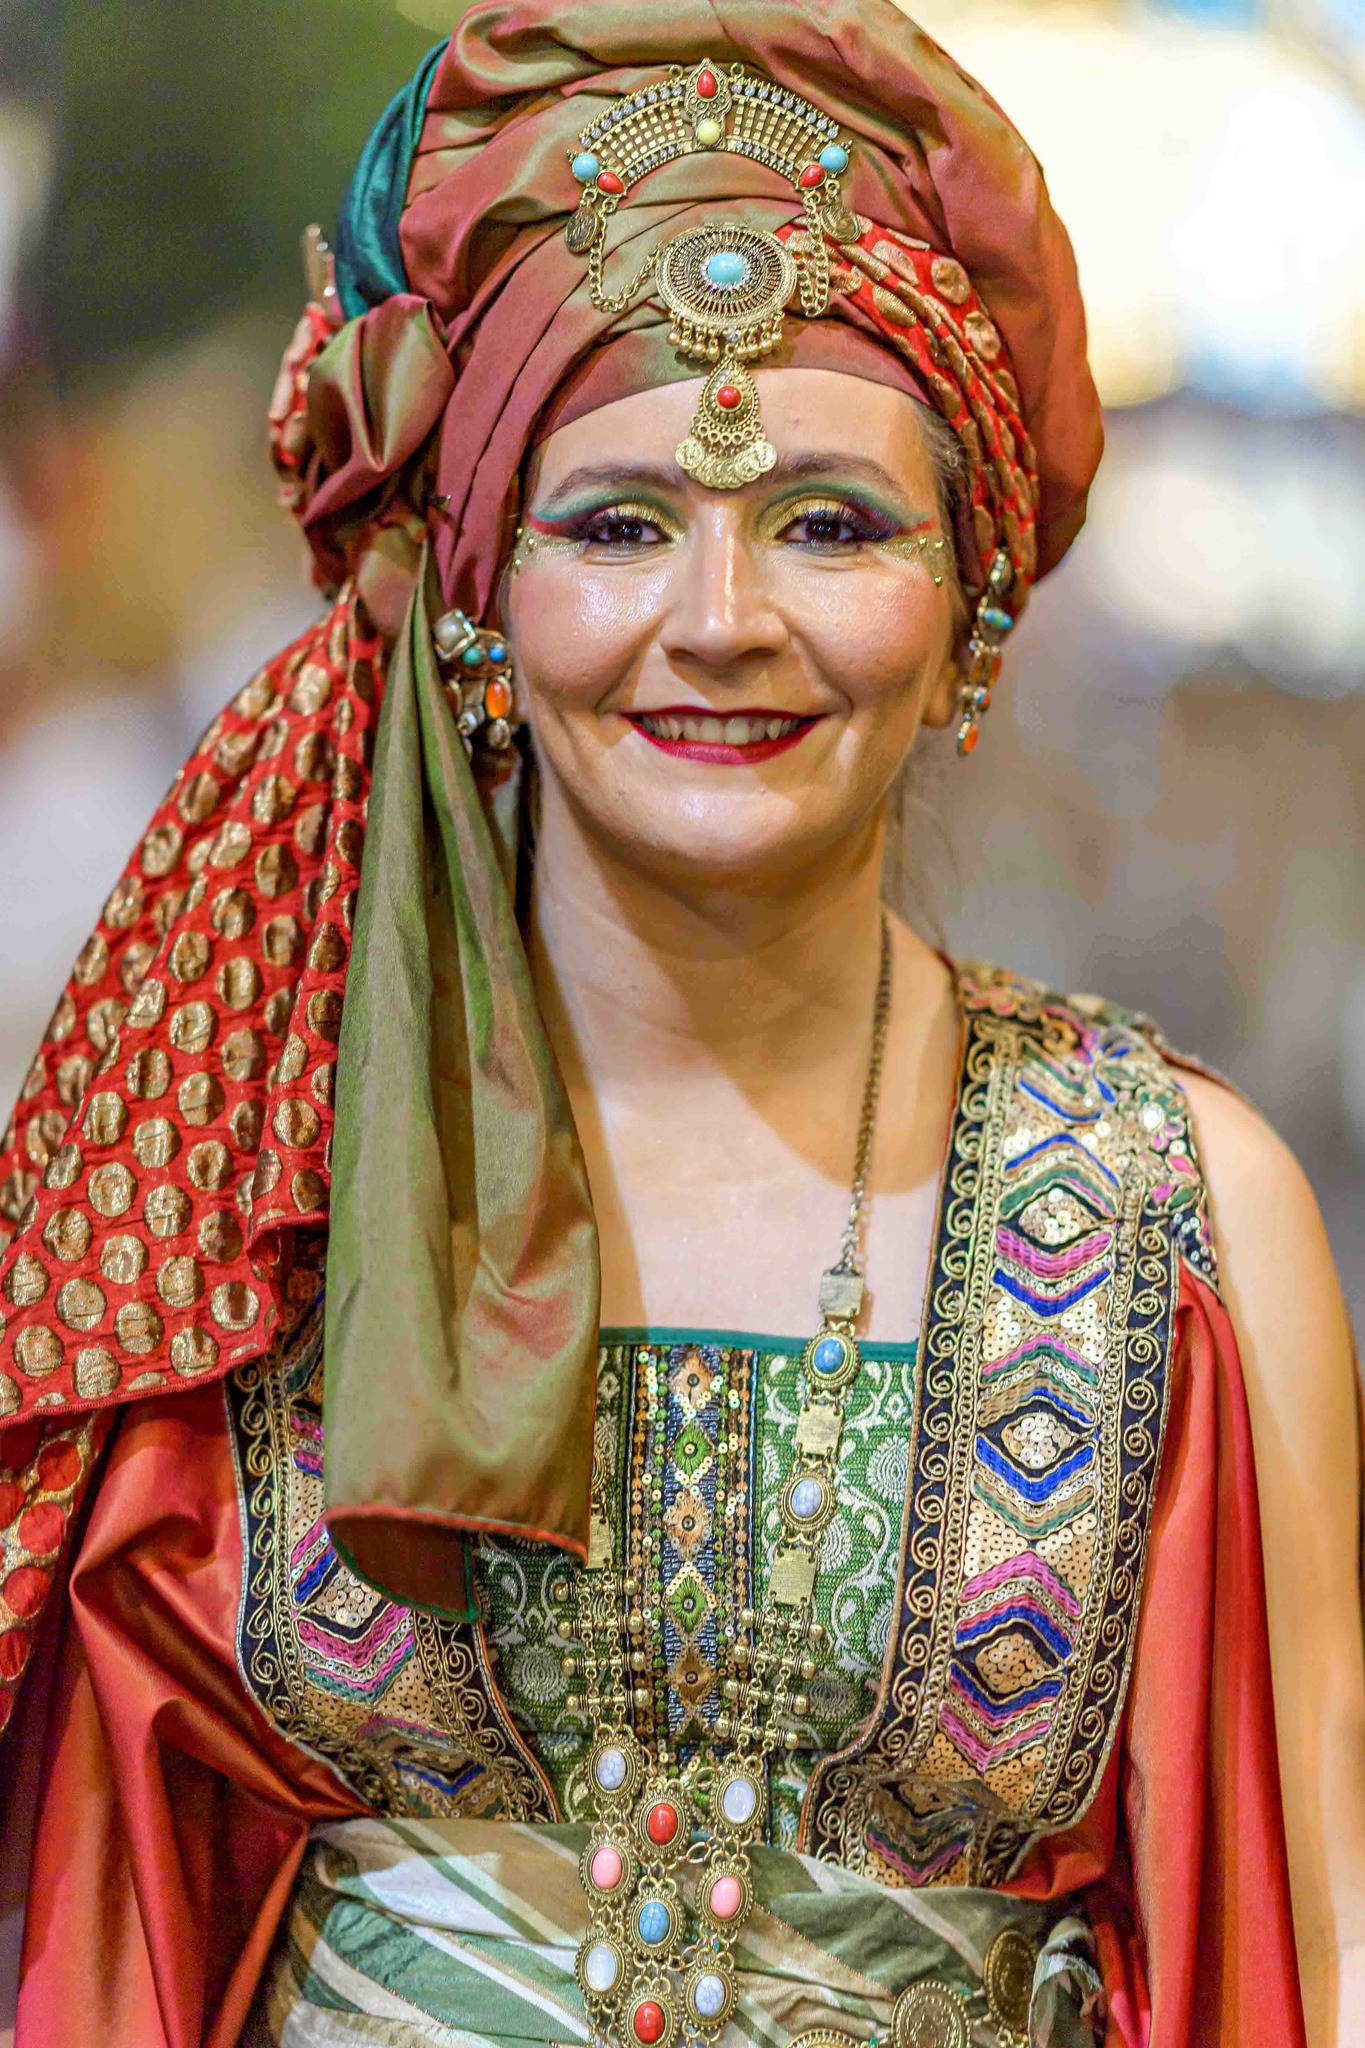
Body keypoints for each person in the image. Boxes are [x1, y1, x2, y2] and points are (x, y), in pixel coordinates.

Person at [0, 3, 1361, 2044]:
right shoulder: (244, 1182)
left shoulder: (1174, 1210)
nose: (719, 621)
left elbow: (1317, 1952)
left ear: (971, 615)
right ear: (479, 595)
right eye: (618, 524)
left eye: (829, 524)